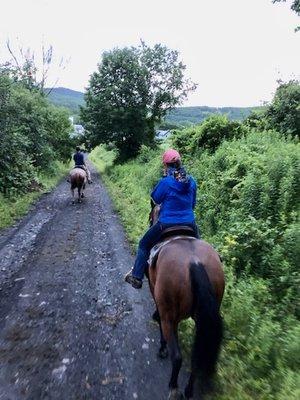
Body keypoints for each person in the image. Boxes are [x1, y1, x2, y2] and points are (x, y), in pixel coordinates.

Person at [125, 148, 199, 289]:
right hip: (189, 223)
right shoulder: (192, 181)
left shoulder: (166, 182)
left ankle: (137, 277)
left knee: (143, 245)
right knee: (199, 245)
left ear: (165, 165)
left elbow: (155, 199)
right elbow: (193, 204)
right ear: (180, 162)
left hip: (166, 224)